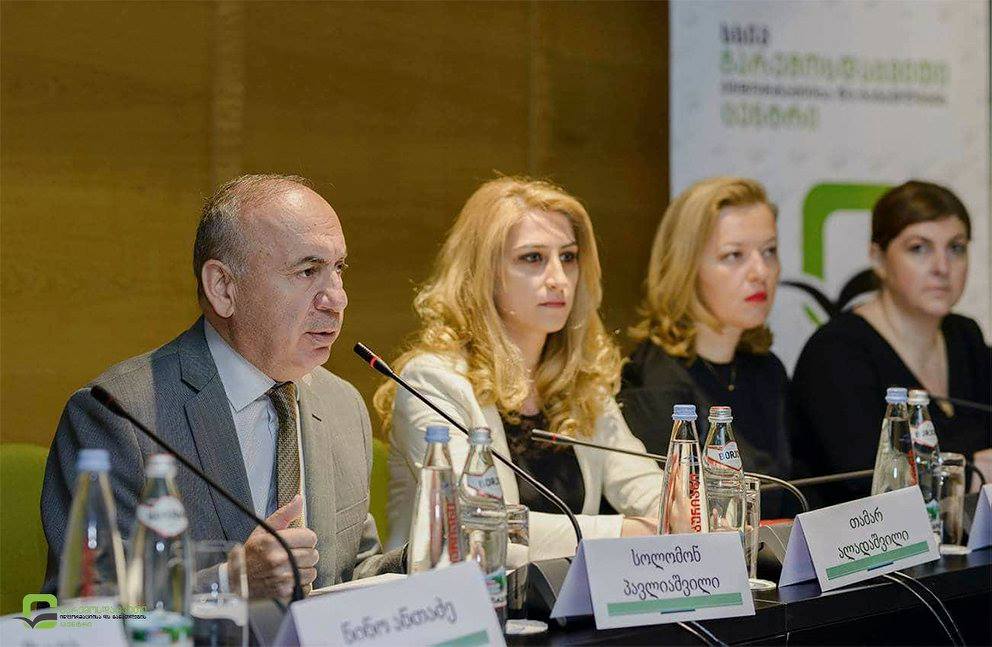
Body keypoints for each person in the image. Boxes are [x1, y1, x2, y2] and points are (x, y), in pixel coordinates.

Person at [41, 174, 405, 598]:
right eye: (308, 271)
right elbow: (84, 604)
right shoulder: (117, 415)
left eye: (337, 269)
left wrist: (427, 559)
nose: (337, 299)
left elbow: (348, 573)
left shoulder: (342, 405)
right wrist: (227, 583)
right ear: (223, 288)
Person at [374, 176, 661, 561]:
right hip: (459, 593)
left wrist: (682, 509)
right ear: (484, 273)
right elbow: (478, 524)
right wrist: (626, 531)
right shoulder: (433, 381)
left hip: (560, 595)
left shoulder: (579, 381)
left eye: (568, 257)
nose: (558, 279)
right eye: (533, 258)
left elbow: (642, 483)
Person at [791, 180, 991, 505]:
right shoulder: (836, 352)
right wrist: (969, 473)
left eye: (956, 248)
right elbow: (867, 481)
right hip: (866, 534)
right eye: (919, 248)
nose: (942, 267)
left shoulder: (965, 336)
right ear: (879, 259)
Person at [619, 177, 792, 503]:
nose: (761, 271)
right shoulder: (653, 381)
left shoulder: (767, 369)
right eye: (734, 255)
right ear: (686, 267)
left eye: (769, 251)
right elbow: (678, 517)